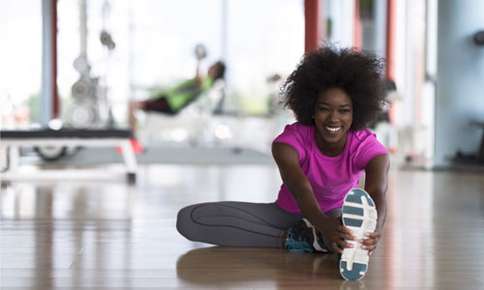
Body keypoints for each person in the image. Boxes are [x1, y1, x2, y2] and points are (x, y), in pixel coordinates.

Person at [176, 46, 389, 281]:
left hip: (338, 217)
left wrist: (374, 229)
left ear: (356, 112)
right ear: (311, 109)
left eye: (344, 111)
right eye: (324, 109)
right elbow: (300, 189)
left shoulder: (366, 147)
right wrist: (322, 226)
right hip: (286, 213)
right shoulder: (287, 143)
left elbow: (377, 191)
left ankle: (329, 240)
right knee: (189, 220)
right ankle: (307, 240)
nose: (333, 118)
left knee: (342, 225)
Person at [128, 61, 226, 130]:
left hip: (171, 104)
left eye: (214, 67)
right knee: (133, 105)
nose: (210, 66)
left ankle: (133, 137)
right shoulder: (206, 80)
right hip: (167, 99)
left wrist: (199, 60)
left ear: (216, 72)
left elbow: (199, 81)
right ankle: (133, 134)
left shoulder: (208, 82)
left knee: (133, 105)